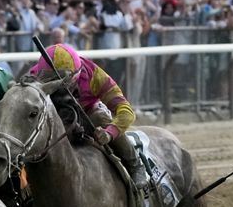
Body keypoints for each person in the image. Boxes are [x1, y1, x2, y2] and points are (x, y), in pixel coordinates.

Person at [27, 42, 148, 190]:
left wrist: (109, 134)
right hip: (53, 118)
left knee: (101, 117)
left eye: (63, 81)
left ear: (77, 74)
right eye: (51, 81)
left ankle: (134, 164)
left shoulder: (95, 75)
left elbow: (125, 111)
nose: (58, 86)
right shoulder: (33, 77)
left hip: (87, 114)